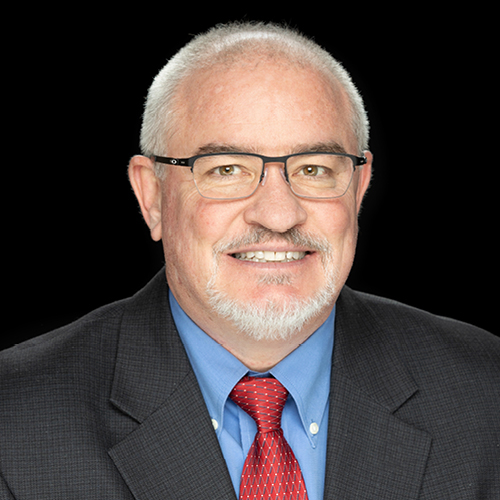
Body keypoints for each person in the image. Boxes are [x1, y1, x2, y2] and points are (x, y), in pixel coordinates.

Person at [1, 21, 499, 500]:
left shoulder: (486, 393)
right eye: (227, 169)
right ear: (152, 196)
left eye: (313, 169)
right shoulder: (14, 422)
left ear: (359, 188)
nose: (279, 215)